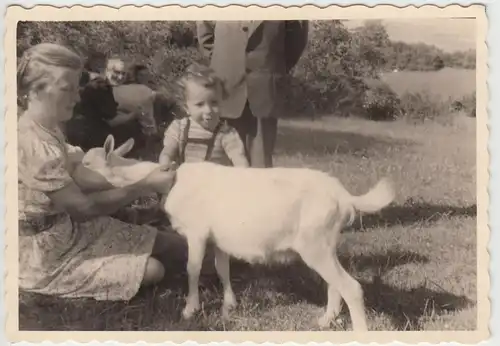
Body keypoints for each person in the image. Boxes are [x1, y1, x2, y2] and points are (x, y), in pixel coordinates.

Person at [17, 43, 185, 301]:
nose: (76, 97)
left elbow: (82, 174)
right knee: (154, 269)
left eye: (77, 88)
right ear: (36, 90)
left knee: (173, 246)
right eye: (67, 89)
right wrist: (145, 185)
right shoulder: (31, 143)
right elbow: (83, 208)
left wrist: (136, 174)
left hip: (68, 230)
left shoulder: (49, 127)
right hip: (45, 255)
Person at [196, 20, 309, 168]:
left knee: (260, 168)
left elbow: (296, 40)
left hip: (264, 88)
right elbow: (205, 32)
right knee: (222, 164)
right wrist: (227, 64)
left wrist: (272, 67)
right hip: (225, 87)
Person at [159, 63, 249, 168]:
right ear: (186, 108)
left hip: (214, 181)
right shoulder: (179, 127)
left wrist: (243, 172)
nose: (208, 110)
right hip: (186, 180)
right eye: (200, 104)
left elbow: (239, 158)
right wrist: (166, 163)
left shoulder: (226, 133)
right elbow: (168, 151)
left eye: (214, 103)